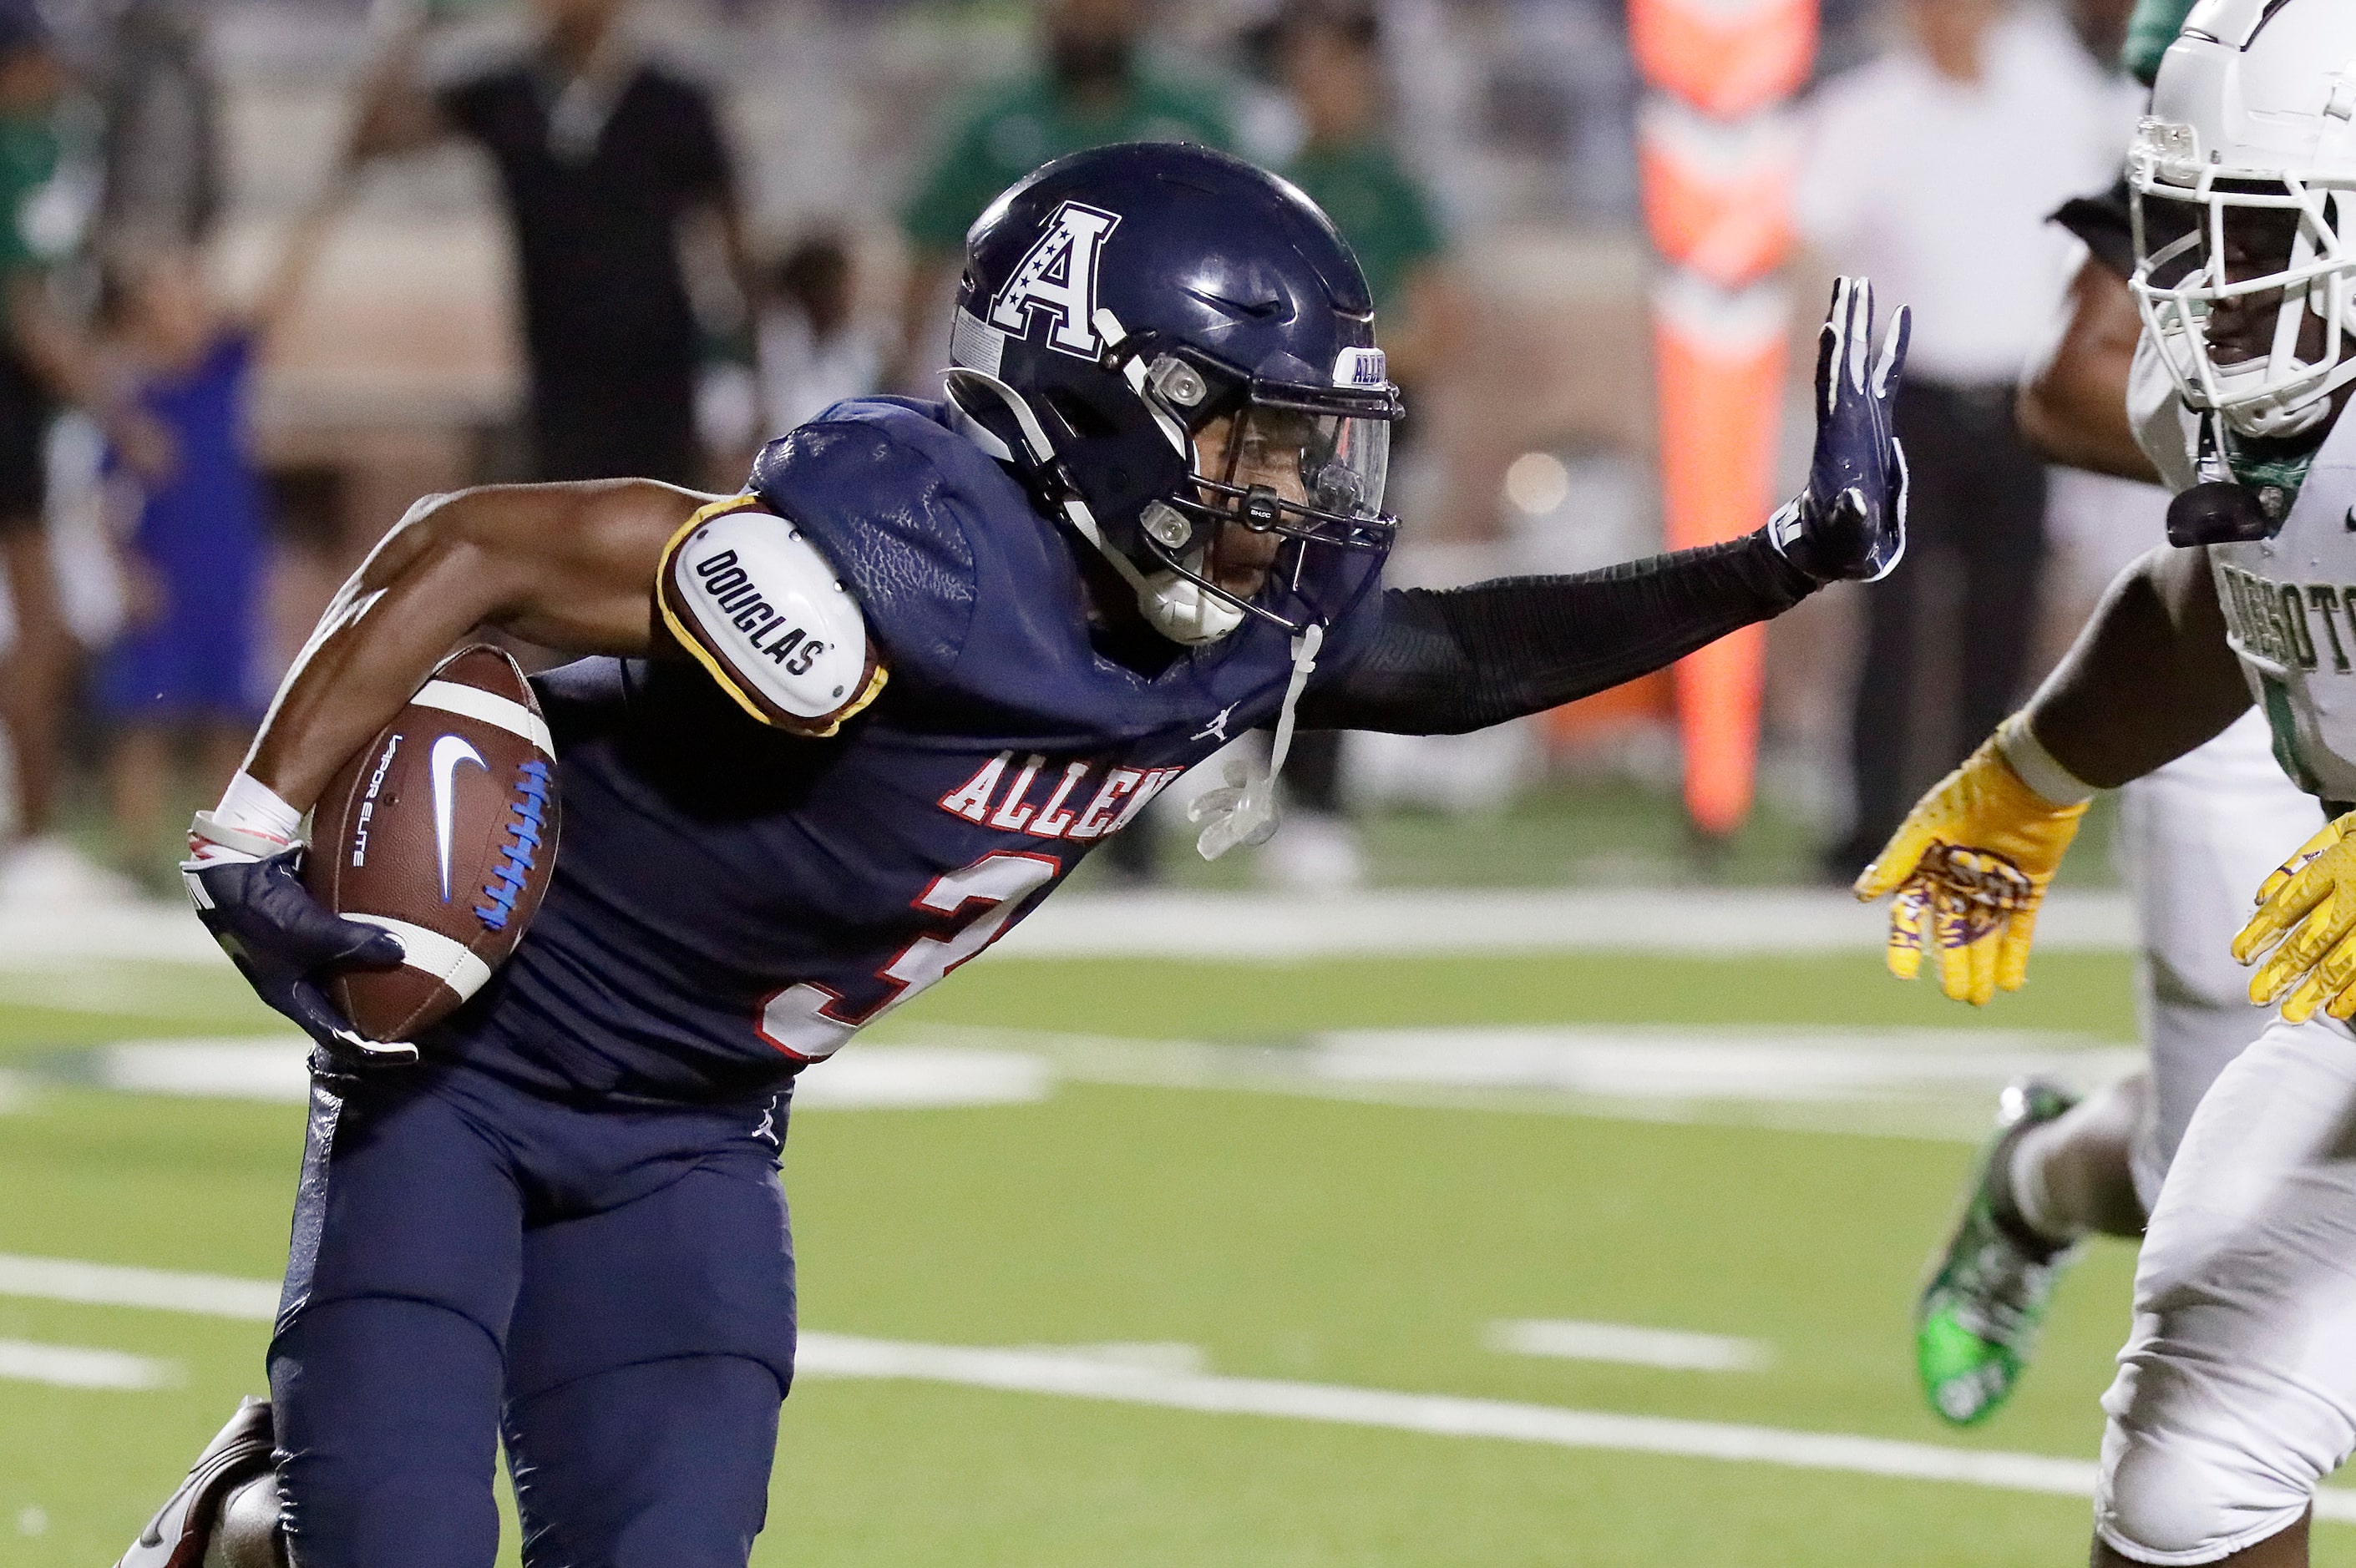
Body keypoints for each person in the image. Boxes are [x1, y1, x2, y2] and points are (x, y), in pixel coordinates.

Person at [119, 144, 1910, 1568]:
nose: (1288, 493)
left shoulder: (1208, 614)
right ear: (1103, 401)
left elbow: (1443, 663)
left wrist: (1771, 560)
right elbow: (475, 545)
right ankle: (256, 1529)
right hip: (473, 1078)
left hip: (696, 1134)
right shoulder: (896, 554)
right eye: (1253, 437)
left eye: (1302, 449)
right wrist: (256, 827)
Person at [1858, 5, 2356, 1560]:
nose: (2207, 289)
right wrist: (2027, 774)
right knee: (2192, 1469)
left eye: (2261, 234)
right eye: (2189, 235)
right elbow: (2228, 591)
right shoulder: (2228, 386)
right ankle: (2037, 1181)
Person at [1795, 0, 2135, 880]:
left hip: (2020, 394)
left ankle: (1979, 821)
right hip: (1908, 393)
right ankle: (1873, 821)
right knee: (1892, 618)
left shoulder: (2050, 96)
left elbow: (2124, 181)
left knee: (2005, 618)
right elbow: (1812, 256)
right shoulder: (1864, 112)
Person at [347, 0, 752, 486]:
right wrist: (403, 29)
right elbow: (371, 139)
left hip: (659, 369)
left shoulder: (674, 102)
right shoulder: (506, 94)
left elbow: (735, 240)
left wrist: (750, 370)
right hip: (556, 370)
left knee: (665, 533)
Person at [1251, 0, 1457, 892]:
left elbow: (1440, 324)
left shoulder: (1390, 187)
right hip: (1274, 427)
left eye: (1329, 65)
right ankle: (1265, 786)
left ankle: (1321, 805)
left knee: (1326, 613)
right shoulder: (1274, 185)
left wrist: (1338, 356)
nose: (1315, 84)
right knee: (1257, 602)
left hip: (1359, 429)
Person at [94, 180, 352, 885]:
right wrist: (124, 570)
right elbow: (104, 497)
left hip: (227, 571)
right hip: (164, 575)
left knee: (230, 722)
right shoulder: (133, 401)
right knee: (144, 719)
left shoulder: (223, 372)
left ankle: (225, 854)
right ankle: (134, 854)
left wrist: (323, 206)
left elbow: (278, 297)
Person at [0, 0, 172, 903]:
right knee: (42, 629)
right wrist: (116, 410)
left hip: (27, 410)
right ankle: (29, 842)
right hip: (13, 406)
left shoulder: (45, 145)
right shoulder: (14, 149)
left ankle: (32, 837)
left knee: (46, 630)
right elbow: (27, 310)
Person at [894, 0, 1233, 391]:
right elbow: (928, 248)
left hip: (1163, 357)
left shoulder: (1196, 119)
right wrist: (905, 361)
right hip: (1021, 356)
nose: (1086, 14)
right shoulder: (992, 121)